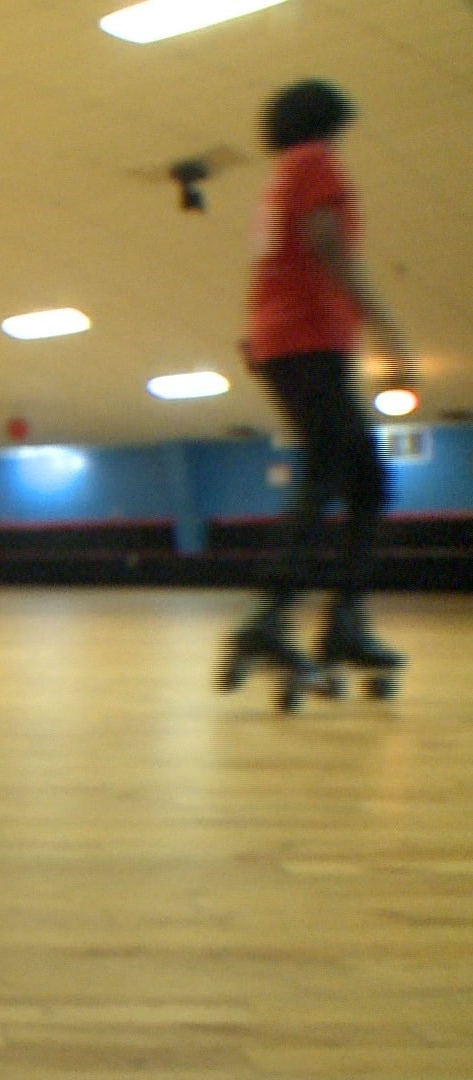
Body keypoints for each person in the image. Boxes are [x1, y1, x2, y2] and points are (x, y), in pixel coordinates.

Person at [221, 79, 421, 706]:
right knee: (336, 469)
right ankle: (279, 615)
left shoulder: (282, 175)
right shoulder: (312, 162)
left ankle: (339, 619)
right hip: (306, 339)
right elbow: (326, 246)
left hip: (286, 341)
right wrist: (385, 325)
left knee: (363, 479)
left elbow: (281, 264)